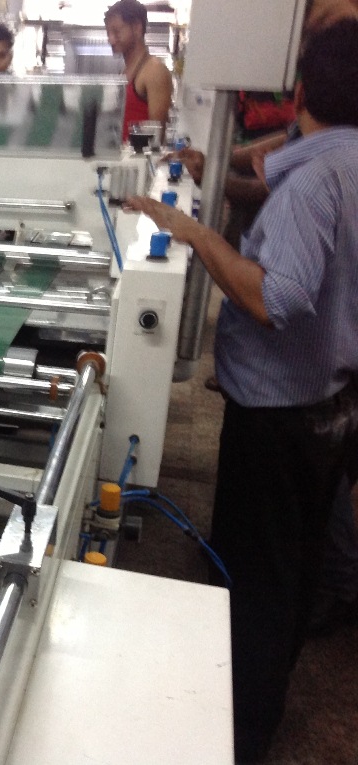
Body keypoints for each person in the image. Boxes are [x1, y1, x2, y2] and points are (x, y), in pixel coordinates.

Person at [125, 19, 358, 762]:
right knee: (292, 563)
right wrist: (210, 176)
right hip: (328, 404)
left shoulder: (314, 183)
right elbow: (273, 186)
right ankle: (261, 693)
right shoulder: (341, 160)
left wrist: (195, 235)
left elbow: (272, 297)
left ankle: (239, 731)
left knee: (256, 579)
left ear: (298, 90)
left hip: (280, 413)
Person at [103, 0, 173, 141]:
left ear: (137, 27)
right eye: (108, 33)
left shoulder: (154, 70)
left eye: (116, 32)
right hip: (120, 154)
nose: (111, 40)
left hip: (138, 155)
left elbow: (156, 139)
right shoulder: (124, 72)